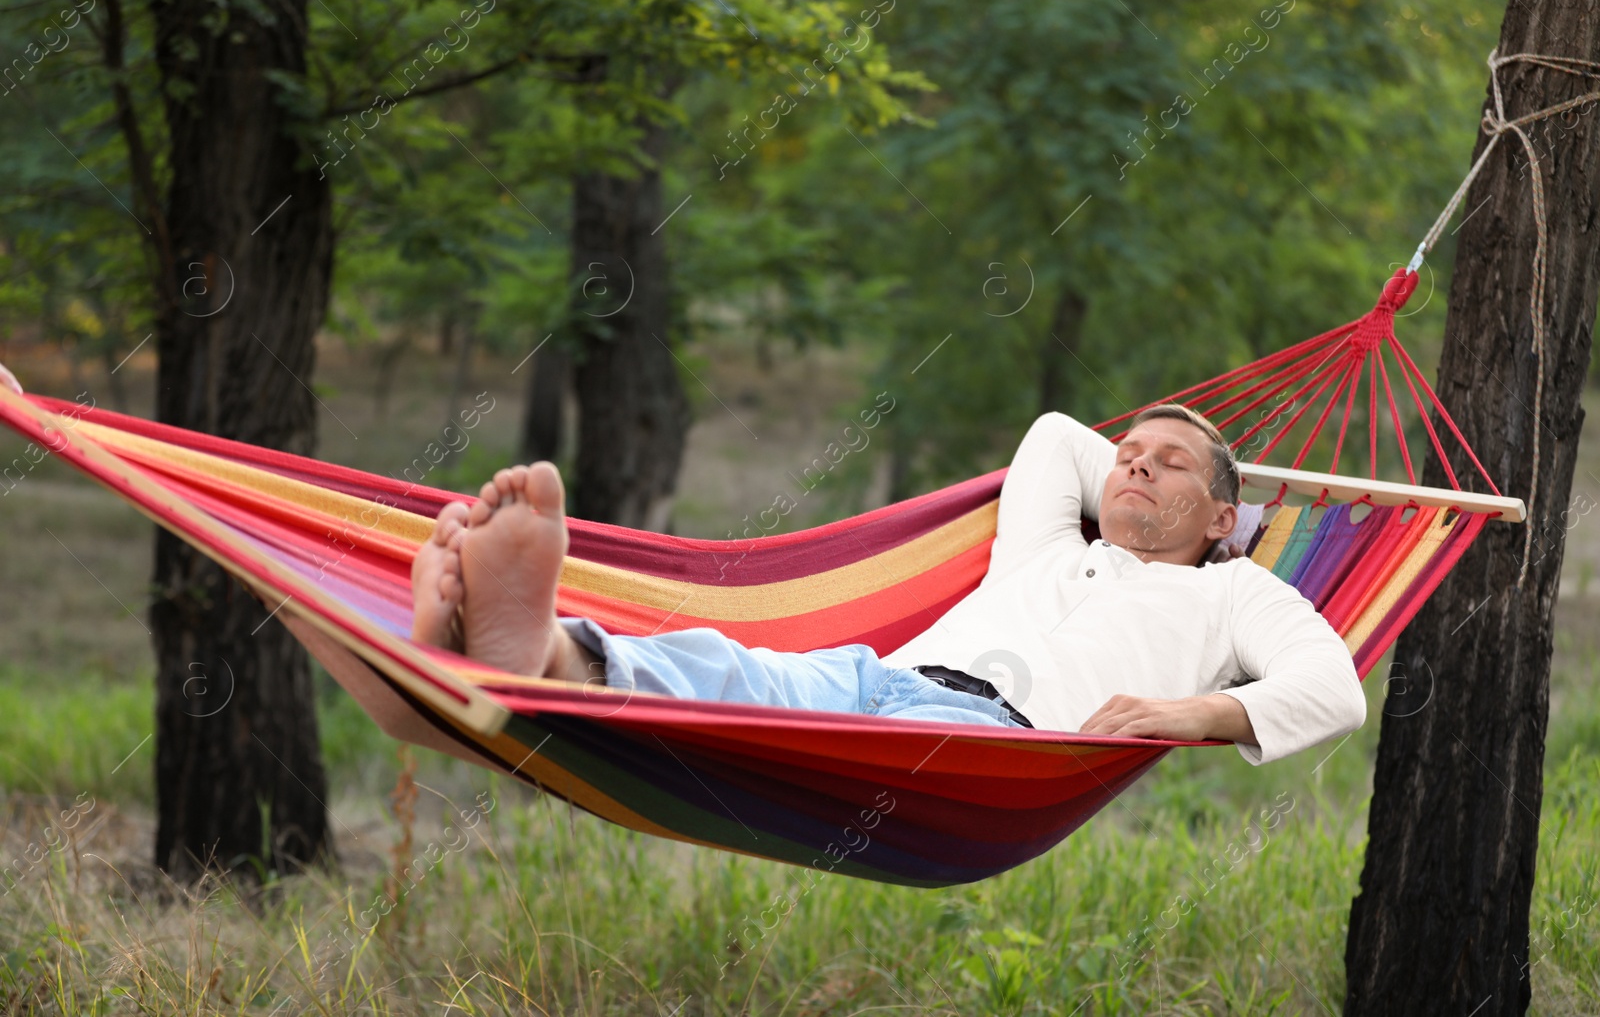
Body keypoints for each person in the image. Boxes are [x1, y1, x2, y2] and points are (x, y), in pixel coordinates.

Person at [413, 403, 1366, 765]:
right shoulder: (1042, 545)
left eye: (1170, 465)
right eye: (1126, 456)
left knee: (782, 729)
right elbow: (1050, 434)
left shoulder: (1234, 591)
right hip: (869, 676)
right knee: (730, 668)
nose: (1134, 468)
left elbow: (1335, 690)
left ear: (1219, 519)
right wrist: (1156, 448)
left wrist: (1197, 714)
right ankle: (538, 650)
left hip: (991, 743)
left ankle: (523, 652)